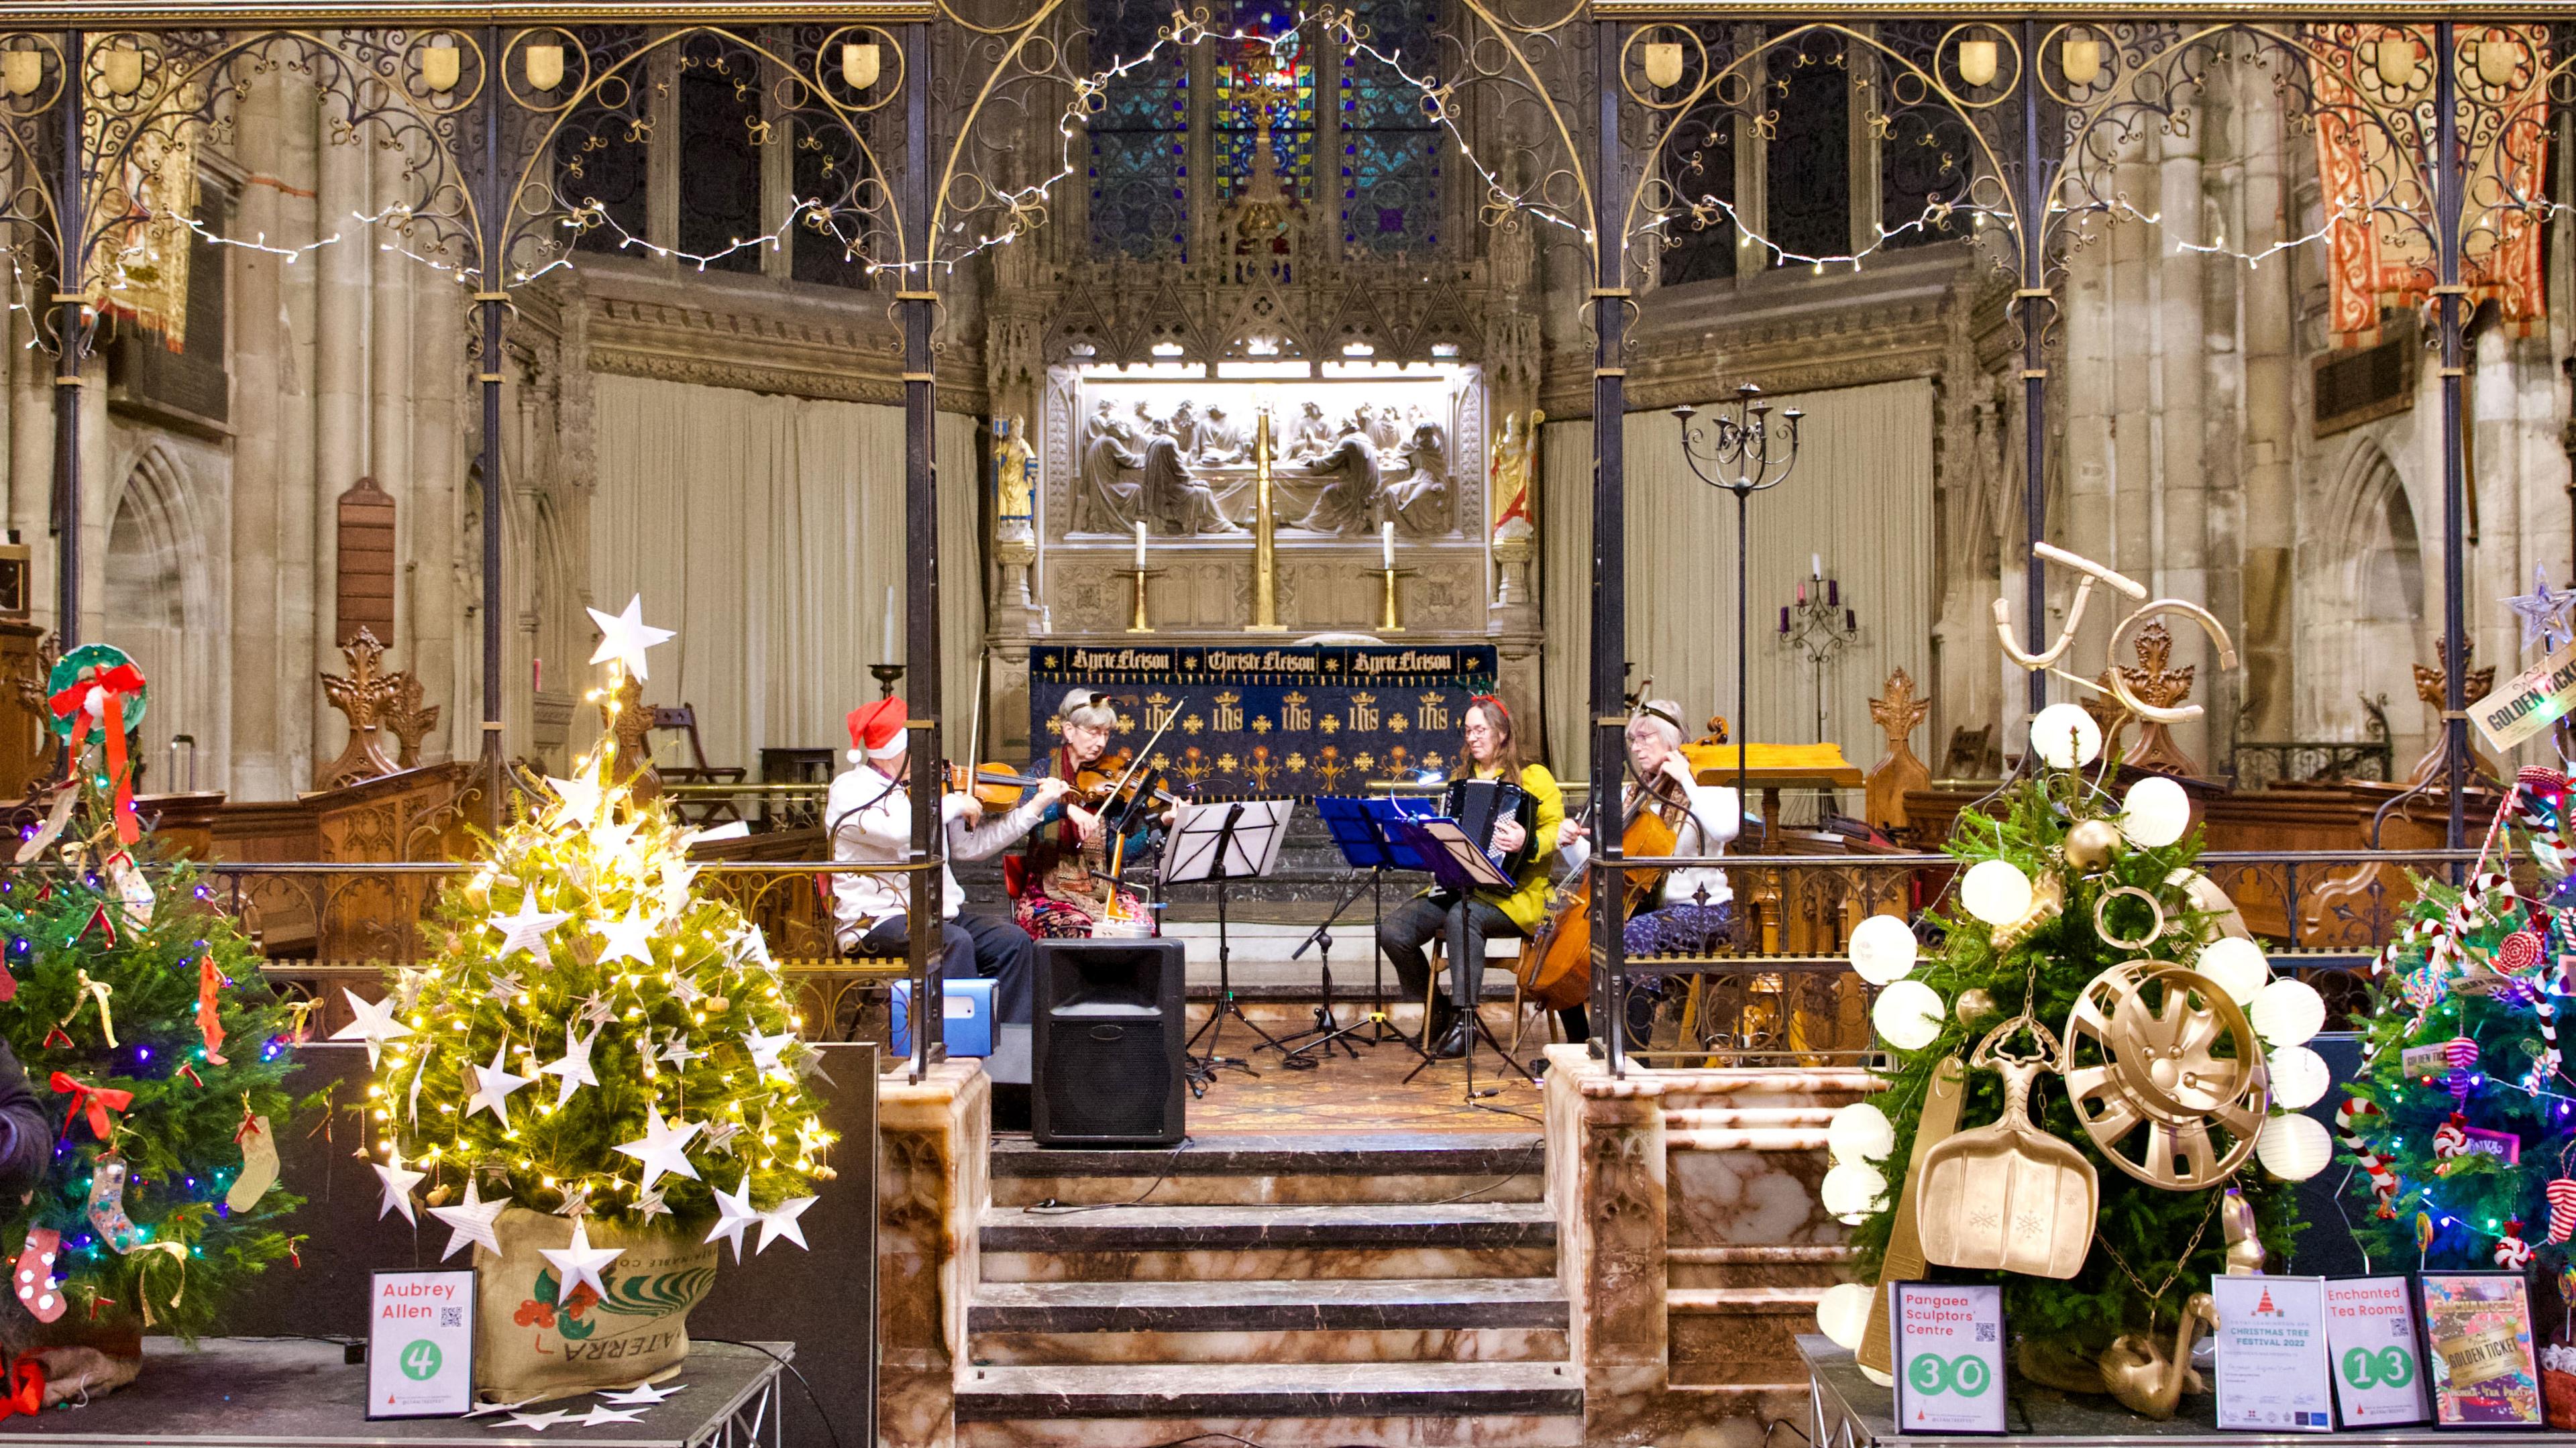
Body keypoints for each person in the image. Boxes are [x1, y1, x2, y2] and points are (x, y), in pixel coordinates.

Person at [828, 695, 1069, 1030]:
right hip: (876, 920)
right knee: (954, 941)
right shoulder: (851, 790)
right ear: (898, 750)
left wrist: (1033, 809)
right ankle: (956, 1049)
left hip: (936, 915)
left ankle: (1008, 1050)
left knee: (1012, 943)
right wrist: (952, 803)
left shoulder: (929, 790)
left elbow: (972, 848)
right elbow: (900, 832)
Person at [1376, 694, 1562, 1058]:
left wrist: (1529, 839)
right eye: (1468, 731)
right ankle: (1440, 1011)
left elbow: (1557, 828)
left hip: (1513, 894)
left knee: (1463, 918)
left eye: (1481, 730)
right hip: (1459, 886)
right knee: (1393, 930)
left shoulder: (1534, 776)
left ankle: (1466, 1023)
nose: (1473, 738)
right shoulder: (1460, 780)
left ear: (1503, 734)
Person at [1554, 699, 1743, 1042]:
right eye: (1633, 741)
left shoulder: (1711, 782)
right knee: (1564, 939)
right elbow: (1602, 865)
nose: (1636, 749)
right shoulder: (1634, 793)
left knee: (1633, 935)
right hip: (1647, 909)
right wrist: (1569, 843)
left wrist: (1686, 780)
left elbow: (1726, 829)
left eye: (1645, 738)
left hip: (1704, 911)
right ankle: (1583, 1043)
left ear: (1671, 739)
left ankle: (1632, 1050)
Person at [1017, 689, 1170, 937]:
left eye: (1106, 734)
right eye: (1093, 732)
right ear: (1069, 731)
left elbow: (1120, 854)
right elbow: (1021, 820)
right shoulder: (1041, 773)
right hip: (1047, 893)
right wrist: (1066, 810)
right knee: (1079, 929)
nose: (1101, 743)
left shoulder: (1110, 789)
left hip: (1102, 891)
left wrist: (1162, 822)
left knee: (1143, 931)